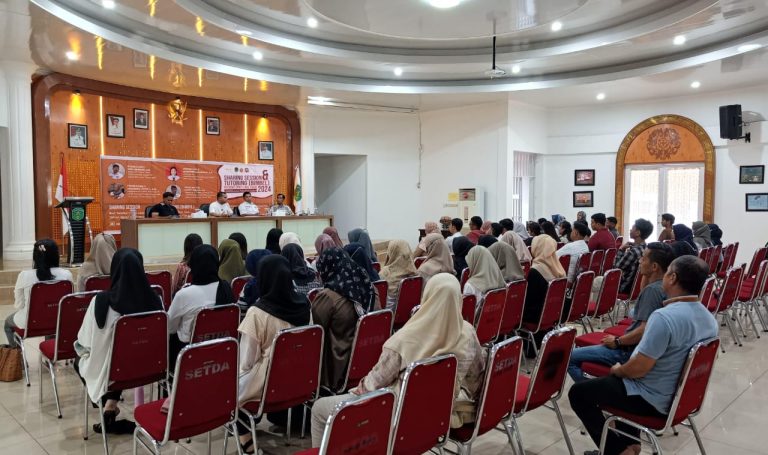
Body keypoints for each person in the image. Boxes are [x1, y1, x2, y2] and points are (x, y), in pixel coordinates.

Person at [310, 273, 486, 447]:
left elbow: (370, 388)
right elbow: (477, 378)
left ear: (427, 297)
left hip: (397, 420)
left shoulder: (402, 340)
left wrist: (354, 390)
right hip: (439, 418)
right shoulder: (468, 334)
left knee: (319, 409)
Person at [569, 255, 718, 455]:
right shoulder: (709, 319)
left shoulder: (664, 317)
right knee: (617, 385)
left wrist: (618, 370)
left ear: (672, 278)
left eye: (667, 272)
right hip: (680, 399)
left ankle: (619, 451)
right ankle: (632, 445)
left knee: (579, 393)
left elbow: (639, 368)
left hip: (651, 399)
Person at [74, 248, 162, 434]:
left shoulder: (100, 302)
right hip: (149, 369)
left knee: (85, 359)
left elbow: (84, 342)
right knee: (124, 358)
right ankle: (110, 406)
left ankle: (105, 403)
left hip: (114, 374)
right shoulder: (156, 301)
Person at [568, 242, 673, 383]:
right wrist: (647, 274)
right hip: (639, 349)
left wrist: (618, 341)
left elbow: (644, 329)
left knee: (569, 357)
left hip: (627, 352)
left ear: (654, 267)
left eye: (643, 258)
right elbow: (644, 292)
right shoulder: (664, 286)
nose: (639, 261)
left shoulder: (653, 291)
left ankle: (590, 391)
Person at [236, 255, 311, 452]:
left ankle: (246, 438)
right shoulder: (305, 305)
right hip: (299, 379)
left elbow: (246, 362)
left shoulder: (256, 313)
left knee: (229, 386)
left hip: (267, 385)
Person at [313, 247, 376, 391]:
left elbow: (315, 332)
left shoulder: (327, 297)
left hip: (337, 369)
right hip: (366, 361)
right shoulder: (370, 289)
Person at [167, 245, 235, 368]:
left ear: (193, 265)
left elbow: (169, 328)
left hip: (189, 357)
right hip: (222, 356)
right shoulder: (226, 288)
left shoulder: (183, 295)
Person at [4, 239, 73, 347]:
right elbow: (68, 303)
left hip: (30, 323)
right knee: (52, 319)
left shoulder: (24, 275)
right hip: (58, 321)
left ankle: (16, 354)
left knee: (7, 324)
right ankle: (51, 350)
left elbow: (19, 305)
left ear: (35, 256)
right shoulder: (66, 275)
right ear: (56, 255)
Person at [522, 236, 566, 335]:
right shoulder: (558, 268)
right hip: (554, 315)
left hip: (535, 318)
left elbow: (528, 300)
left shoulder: (535, 271)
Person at [613, 218, 654, 294]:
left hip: (623, 287)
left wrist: (621, 250)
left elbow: (616, 268)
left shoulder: (633, 252)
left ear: (638, 233)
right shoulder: (647, 248)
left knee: (598, 282)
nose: (630, 230)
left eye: (632, 228)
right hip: (636, 288)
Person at [379, 240, 418, 308]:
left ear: (391, 252)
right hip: (409, 312)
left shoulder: (385, 273)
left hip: (389, 312)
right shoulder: (416, 274)